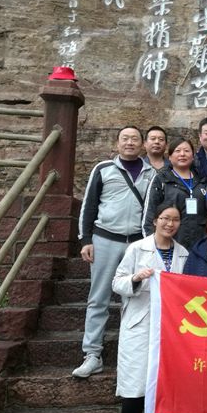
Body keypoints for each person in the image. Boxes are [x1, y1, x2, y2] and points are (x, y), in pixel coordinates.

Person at [73, 126, 154, 378]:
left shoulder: (152, 173)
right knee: (99, 298)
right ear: (117, 143)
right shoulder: (103, 168)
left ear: (142, 144)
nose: (130, 143)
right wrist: (86, 239)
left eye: (134, 139)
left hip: (137, 242)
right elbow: (89, 205)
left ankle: (131, 356)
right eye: (125, 139)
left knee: (135, 297)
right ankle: (92, 354)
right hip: (105, 238)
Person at [112, 203, 189, 413]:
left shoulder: (183, 253)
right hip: (141, 323)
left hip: (171, 326)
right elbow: (117, 282)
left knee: (165, 383)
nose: (170, 224)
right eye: (165, 218)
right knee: (135, 385)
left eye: (175, 220)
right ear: (155, 221)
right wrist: (136, 278)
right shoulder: (137, 248)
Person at [142, 138, 207, 250]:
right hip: (169, 244)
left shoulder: (202, 180)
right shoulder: (162, 179)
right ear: (170, 157)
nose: (182, 154)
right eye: (177, 151)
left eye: (186, 151)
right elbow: (150, 214)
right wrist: (152, 246)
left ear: (193, 156)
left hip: (200, 245)